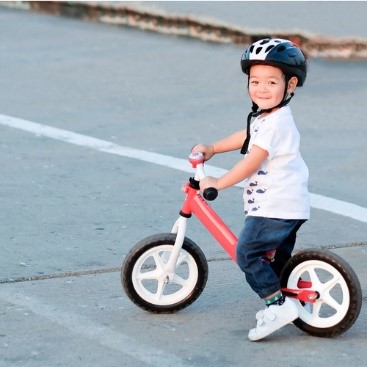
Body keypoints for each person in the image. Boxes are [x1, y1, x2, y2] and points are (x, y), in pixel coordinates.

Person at [192, 38, 310, 341]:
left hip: (274, 206)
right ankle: (293, 298)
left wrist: (217, 182)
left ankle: (277, 306)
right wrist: (214, 148)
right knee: (276, 261)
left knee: (247, 254)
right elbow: (247, 135)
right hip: (289, 204)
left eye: (272, 82)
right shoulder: (267, 117)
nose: (261, 88)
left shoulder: (276, 123)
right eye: (255, 81)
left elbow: (251, 160)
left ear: (291, 85)